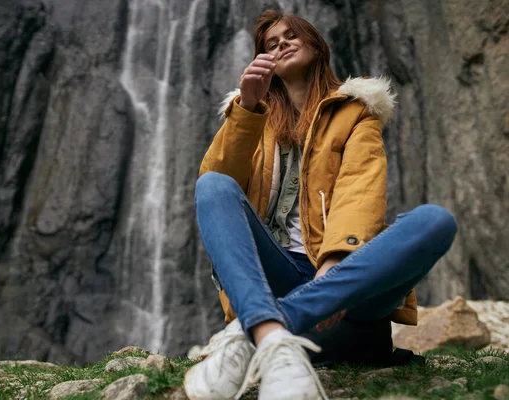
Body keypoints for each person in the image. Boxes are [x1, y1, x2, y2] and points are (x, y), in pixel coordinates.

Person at [184, 9, 457, 400]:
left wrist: (333, 266)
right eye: (272, 44)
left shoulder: (356, 111)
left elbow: (359, 190)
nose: (282, 44)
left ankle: (260, 332)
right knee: (213, 186)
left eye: (291, 36)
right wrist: (246, 107)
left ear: (316, 44)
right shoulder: (251, 117)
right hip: (275, 278)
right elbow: (218, 183)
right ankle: (272, 330)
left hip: (347, 291)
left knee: (435, 221)